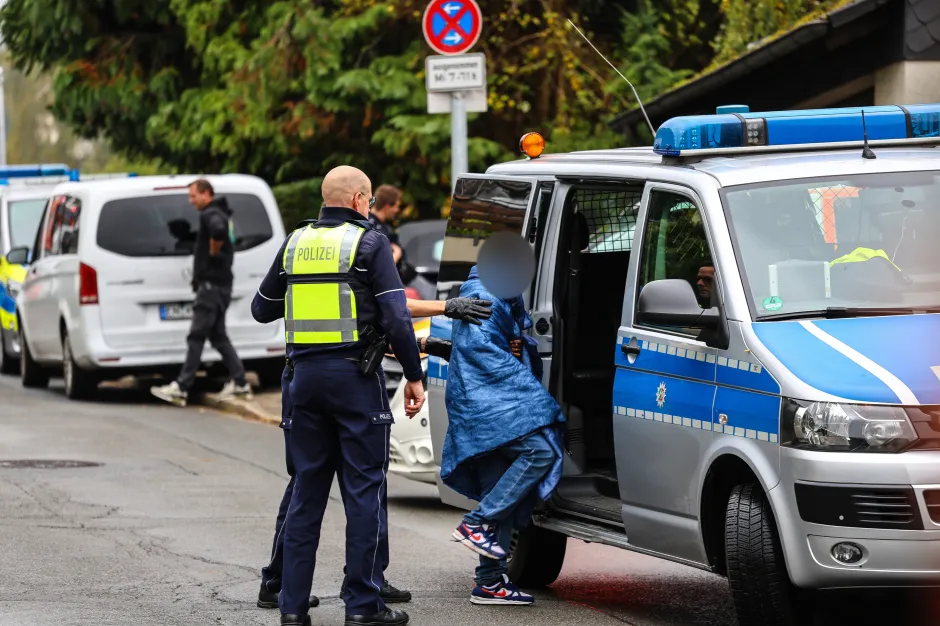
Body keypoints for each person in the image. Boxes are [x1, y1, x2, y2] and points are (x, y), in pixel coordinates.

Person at [253, 165, 424, 626]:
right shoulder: (369, 243)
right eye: (368, 201)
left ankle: (291, 608)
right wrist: (413, 374)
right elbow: (396, 317)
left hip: (303, 381)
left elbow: (261, 308)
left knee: (307, 491)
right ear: (358, 200)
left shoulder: (295, 243)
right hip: (354, 380)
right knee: (363, 491)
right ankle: (363, 607)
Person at [252, 282, 489, 611]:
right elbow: (388, 309)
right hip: (336, 379)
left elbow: (371, 315)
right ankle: (287, 583)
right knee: (345, 483)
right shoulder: (351, 248)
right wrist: (444, 310)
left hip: (312, 379)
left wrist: (423, 338)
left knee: (338, 483)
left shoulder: (315, 250)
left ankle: (361, 578)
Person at [441, 265, 566, 606]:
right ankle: (475, 523)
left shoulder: (499, 294)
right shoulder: (486, 295)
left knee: (500, 491)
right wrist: (531, 396)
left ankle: (489, 583)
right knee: (540, 452)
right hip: (491, 405)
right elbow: (482, 356)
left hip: (490, 404)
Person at [151, 180, 251, 407]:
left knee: (196, 336)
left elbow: (217, 231)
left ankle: (182, 387)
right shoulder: (222, 212)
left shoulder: (211, 213)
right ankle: (240, 383)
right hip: (221, 284)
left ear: (206, 194)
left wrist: (213, 252)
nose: (190, 200)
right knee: (218, 336)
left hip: (211, 286)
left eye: (193, 195)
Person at [368, 185, 403, 264]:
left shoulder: (379, 224)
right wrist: (397, 253)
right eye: (396, 206)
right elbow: (380, 266)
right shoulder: (374, 230)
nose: (397, 210)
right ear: (387, 207)